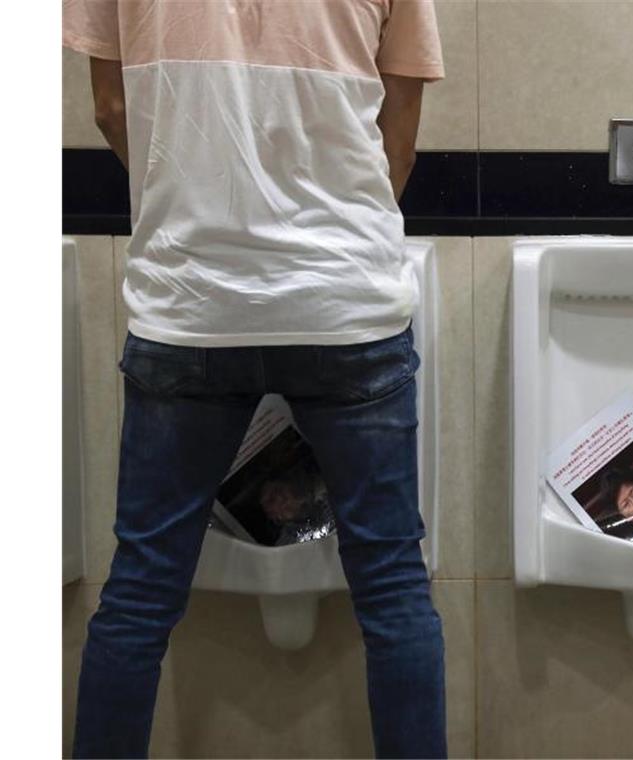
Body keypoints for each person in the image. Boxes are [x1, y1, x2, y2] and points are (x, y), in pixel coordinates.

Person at [63, 1, 447, 757]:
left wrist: (195, 209)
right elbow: (399, 138)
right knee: (394, 587)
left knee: (140, 593)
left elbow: (113, 110)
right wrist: (330, 246)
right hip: (347, 309)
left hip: (192, 306)